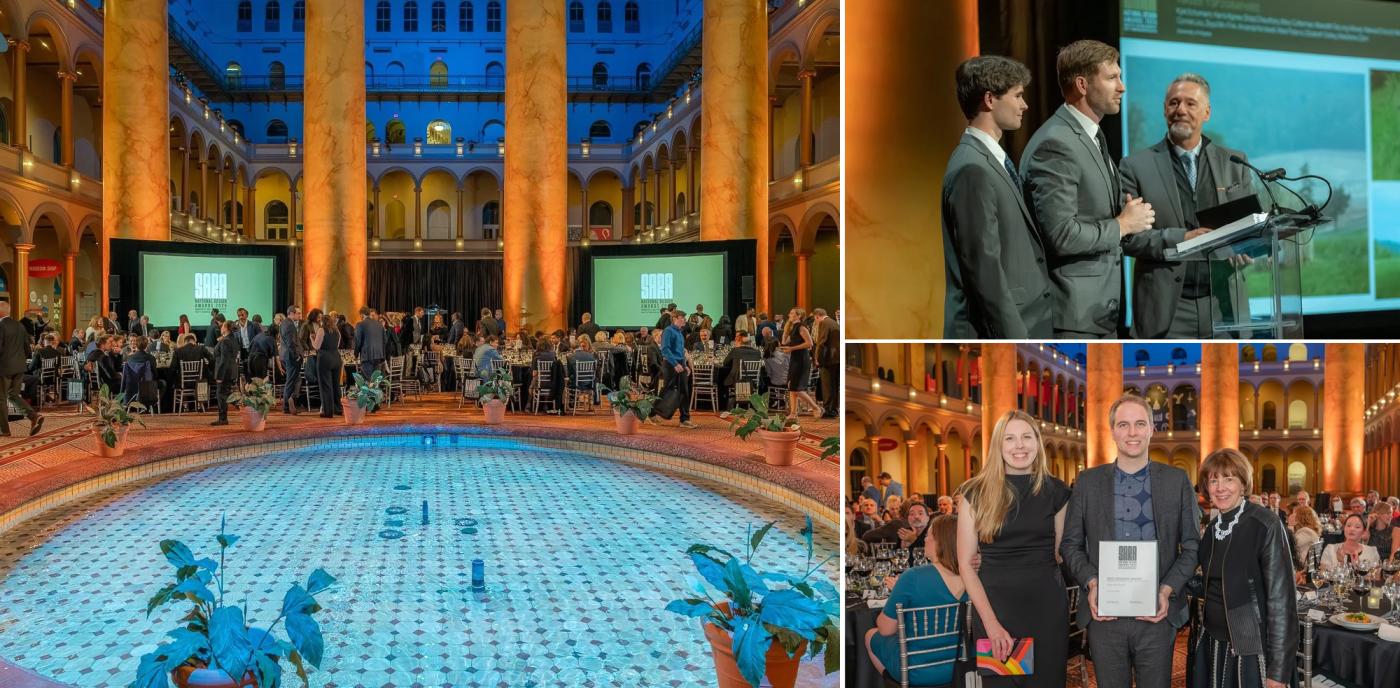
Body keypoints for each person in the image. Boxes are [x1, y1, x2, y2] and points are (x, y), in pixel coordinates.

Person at [1060, 395, 1199, 688]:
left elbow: (1192, 545)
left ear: (1151, 429)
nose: (1132, 432)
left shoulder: (1177, 480)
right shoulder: (1087, 482)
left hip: (1158, 615)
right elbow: (1070, 545)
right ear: (1112, 430)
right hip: (1104, 617)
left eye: (1139, 424)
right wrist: (1093, 583)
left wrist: (1167, 589)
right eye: (1123, 424)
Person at [1022, 39, 1153, 339]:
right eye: (1112, 78)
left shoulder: (1089, 136)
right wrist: (1121, 225)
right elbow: (1061, 234)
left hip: (1099, 316)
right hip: (1073, 319)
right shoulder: (1055, 143)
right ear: (1082, 84)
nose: (1122, 87)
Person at [1119, 73, 1254, 338]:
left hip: (1225, 308)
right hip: (1166, 313)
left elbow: (1249, 227)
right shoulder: (1135, 166)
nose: (1180, 110)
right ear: (1164, 110)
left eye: (1190, 104)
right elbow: (1128, 239)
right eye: (1173, 103)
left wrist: (1247, 246)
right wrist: (1184, 239)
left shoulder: (1235, 163)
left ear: (1207, 112)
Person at [942, 55, 1054, 339]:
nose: (1024, 105)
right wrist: (1017, 339)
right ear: (990, 100)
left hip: (1024, 320)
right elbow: (984, 269)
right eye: (1017, 95)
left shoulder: (990, 159)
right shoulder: (971, 167)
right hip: (1000, 331)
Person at [958, 409, 1070, 687]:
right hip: (997, 612)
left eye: (1026, 437)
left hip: (1047, 610)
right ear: (998, 445)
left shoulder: (1057, 492)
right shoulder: (975, 492)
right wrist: (992, 625)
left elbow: (1061, 554)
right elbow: (965, 566)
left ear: (1037, 443)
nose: (1019, 445)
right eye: (1010, 438)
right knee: (1003, 684)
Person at [1186, 448, 1296, 688]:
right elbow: (1213, 585)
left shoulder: (1265, 524)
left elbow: (1282, 602)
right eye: (1213, 480)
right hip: (1213, 642)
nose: (1220, 487)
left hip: (1250, 649)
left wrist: (1278, 672)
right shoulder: (1213, 529)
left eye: (1229, 478)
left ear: (1243, 483)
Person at [865, 515, 967, 686]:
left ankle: (893, 684)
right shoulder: (971, 576)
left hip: (917, 670)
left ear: (939, 541)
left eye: (928, 535)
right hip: (961, 665)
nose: (924, 539)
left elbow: (885, 629)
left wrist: (895, 593)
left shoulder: (913, 576)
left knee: (870, 635)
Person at [0, 301, 45, 437]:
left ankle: (4, 430)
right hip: (20, 366)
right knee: (13, 394)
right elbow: (27, 348)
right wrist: (20, 361)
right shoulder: (19, 325)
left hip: (4, 368)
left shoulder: (0, 326)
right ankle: (33, 416)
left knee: (1, 399)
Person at [650, 311, 697, 428]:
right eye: (682, 318)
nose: (685, 320)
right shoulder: (668, 331)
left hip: (679, 364)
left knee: (684, 392)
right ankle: (651, 412)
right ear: (675, 318)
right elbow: (665, 349)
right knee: (667, 391)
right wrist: (675, 364)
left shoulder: (680, 333)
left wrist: (685, 365)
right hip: (671, 365)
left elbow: (680, 351)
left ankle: (684, 419)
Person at [779, 307, 821, 419]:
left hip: (802, 360)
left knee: (796, 388)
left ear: (799, 316)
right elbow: (784, 342)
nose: (789, 315)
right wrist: (786, 328)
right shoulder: (793, 328)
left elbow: (809, 343)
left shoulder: (801, 327)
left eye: (792, 313)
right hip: (795, 359)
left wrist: (792, 349)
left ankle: (815, 407)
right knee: (791, 387)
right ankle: (793, 413)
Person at [311, 313, 343, 418]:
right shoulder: (337, 330)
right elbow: (337, 345)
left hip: (325, 358)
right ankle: (338, 409)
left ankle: (327, 411)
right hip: (337, 358)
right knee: (336, 385)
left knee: (326, 385)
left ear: (322, 321)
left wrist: (312, 338)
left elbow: (317, 346)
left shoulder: (321, 330)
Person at [209, 320, 240, 426]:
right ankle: (240, 404)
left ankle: (223, 419)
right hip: (231, 371)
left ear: (226, 328)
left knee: (221, 395)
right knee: (226, 393)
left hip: (225, 372)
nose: (220, 328)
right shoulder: (232, 339)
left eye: (222, 326)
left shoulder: (225, 341)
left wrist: (220, 376)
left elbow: (224, 360)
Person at [811, 309, 840, 418]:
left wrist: (817, 359)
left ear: (817, 316)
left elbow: (821, 342)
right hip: (837, 359)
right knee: (835, 386)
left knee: (827, 386)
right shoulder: (833, 322)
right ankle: (833, 409)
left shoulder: (824, 323)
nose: (816, 322)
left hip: (828, 360)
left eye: (815, 319)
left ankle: (828, 410)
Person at [353, 306, 386, 380]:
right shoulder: (379, 325)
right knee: (375, 381)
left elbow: (358, 341)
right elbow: (385, 340)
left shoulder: (360, 324)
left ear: (361, 314)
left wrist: (355, 354)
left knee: (367, 381)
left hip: (367, 356)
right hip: (378, 356)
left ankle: (369, 392)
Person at [1288, 505, 1322, 571]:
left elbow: (1290, 545)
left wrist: (1290, 526)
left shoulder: (1307, 532)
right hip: (1300, 566)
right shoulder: (1308, 530)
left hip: (1300, 569)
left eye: (1294, 514)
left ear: (1301, 517)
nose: (1292, 516)